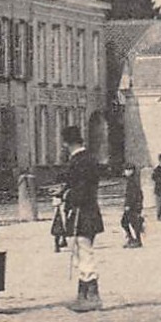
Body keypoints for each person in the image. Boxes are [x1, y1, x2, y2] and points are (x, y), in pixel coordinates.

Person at [59, 125, 105, 311]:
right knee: (80, 251)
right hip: (88, 212)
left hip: (82, 212)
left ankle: (92, 296)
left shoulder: (79, 161)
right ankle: (83, 295)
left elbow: (82, 190)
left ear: (66, 143)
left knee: (84, 252)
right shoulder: (88, 159)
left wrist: (64, 196)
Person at [119, 162, 145, 248]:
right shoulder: (131, 180)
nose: (125, 172)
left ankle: (136, 240)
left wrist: (128, 205)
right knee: (126, 222)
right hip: (134, 205)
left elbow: (133, 194)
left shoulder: (132, 181)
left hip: (132, 206)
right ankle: (132, 239)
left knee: (132, 223)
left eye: (127, 170)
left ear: (131, 171)